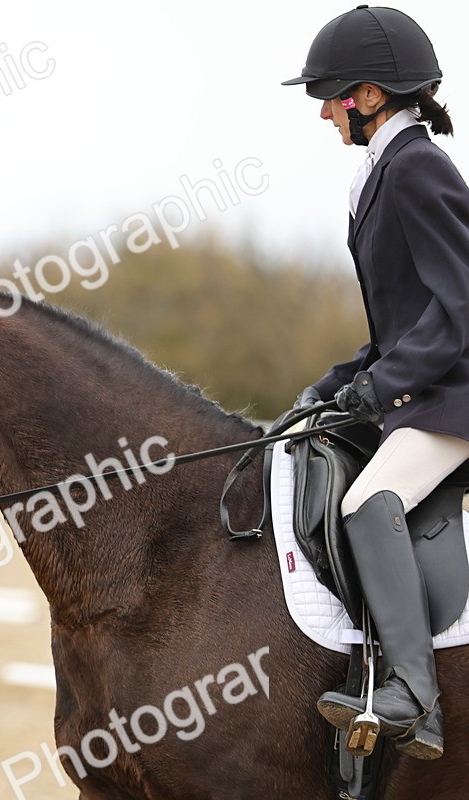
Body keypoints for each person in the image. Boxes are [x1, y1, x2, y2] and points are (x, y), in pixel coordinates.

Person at [283, 5, 469, 761]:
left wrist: (385, 384)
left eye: (330, 96)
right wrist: (336, 385)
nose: (324, 111)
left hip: (452, 400)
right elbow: (404, 318)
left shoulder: (417, 166)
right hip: (419, 389)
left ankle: (413, 693)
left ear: (367, 95)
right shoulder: (386, 169)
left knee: (367, 501)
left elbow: (463, 304)